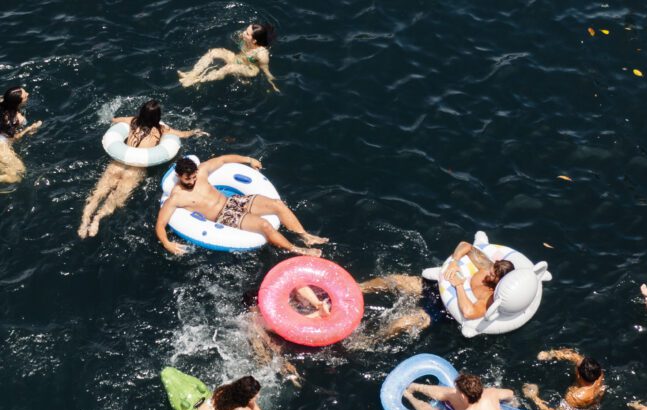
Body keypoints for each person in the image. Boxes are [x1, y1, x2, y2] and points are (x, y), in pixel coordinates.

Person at [78, 100, 207, 238]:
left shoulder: (132, 121)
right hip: (136, 171)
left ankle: (85, 221)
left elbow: (115, 120)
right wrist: (195, 132)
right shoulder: (161, 129)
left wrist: (111, 117)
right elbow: (182, 134)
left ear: (141, 113)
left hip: (117, 164)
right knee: (116, 200)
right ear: (157, 117)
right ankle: (97, 219)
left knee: (98, 193)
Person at [156, 156, 328, 256]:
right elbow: (160, 224)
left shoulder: (200, 172)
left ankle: (305, 236)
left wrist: (249, 160)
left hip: (233, 200)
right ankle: (297, 249)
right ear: (179, 176)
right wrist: (166, 243)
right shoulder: (176, 197)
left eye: (193, 177)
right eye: (188, 179)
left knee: (277, 205)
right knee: (264, 225)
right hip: (224, 216)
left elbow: (223, 159)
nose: (192, 181)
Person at [358, 241, 514, 340]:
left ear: (500, 282)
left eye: (493, 276)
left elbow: (468, 312)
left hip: (442, 310)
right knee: (394, 280)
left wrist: (459, 285)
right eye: (491, 270)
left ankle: (369, 341)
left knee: (401, 323)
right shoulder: (488, 266)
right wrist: (454, 262)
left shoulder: (491, 298)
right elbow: (465, 245)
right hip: (436, 287)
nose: (488, 274)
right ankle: (359, 289)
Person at [243, 286, 330, 388]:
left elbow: (298, 287)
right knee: (280, 362)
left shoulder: (256, 317)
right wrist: (319, 313)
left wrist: (316, 303)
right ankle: (294, 378)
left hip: (275, 345)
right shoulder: (258, 319)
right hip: (274, 349)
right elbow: (290, 326)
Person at [179, 23, 279, 91]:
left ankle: (197, 81)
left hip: (250, 69)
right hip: (236, 59)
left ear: (254, 41)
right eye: (245, 30)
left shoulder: (261, 54)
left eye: (247, 33)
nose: (243, 33)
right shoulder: (245, 39)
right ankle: (192, 74)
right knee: (214, 52)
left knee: (228, 68)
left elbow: (265, 70)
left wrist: (272, 83)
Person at [523, 349, 605, 410]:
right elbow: (576, 357)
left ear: (579, 375)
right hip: (594, 399)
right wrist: (552, 354)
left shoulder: (574, 397)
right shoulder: (598, 373)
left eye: (577, 366)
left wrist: (534, 397)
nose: (578, 359)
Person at [0, 86, 42, 185]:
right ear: (17, 103)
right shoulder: (18, 119)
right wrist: (28, 129)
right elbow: (13, 138)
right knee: (17, 175)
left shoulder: (2, 100)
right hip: (1, 146)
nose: (28, 94)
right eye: (25, 96)